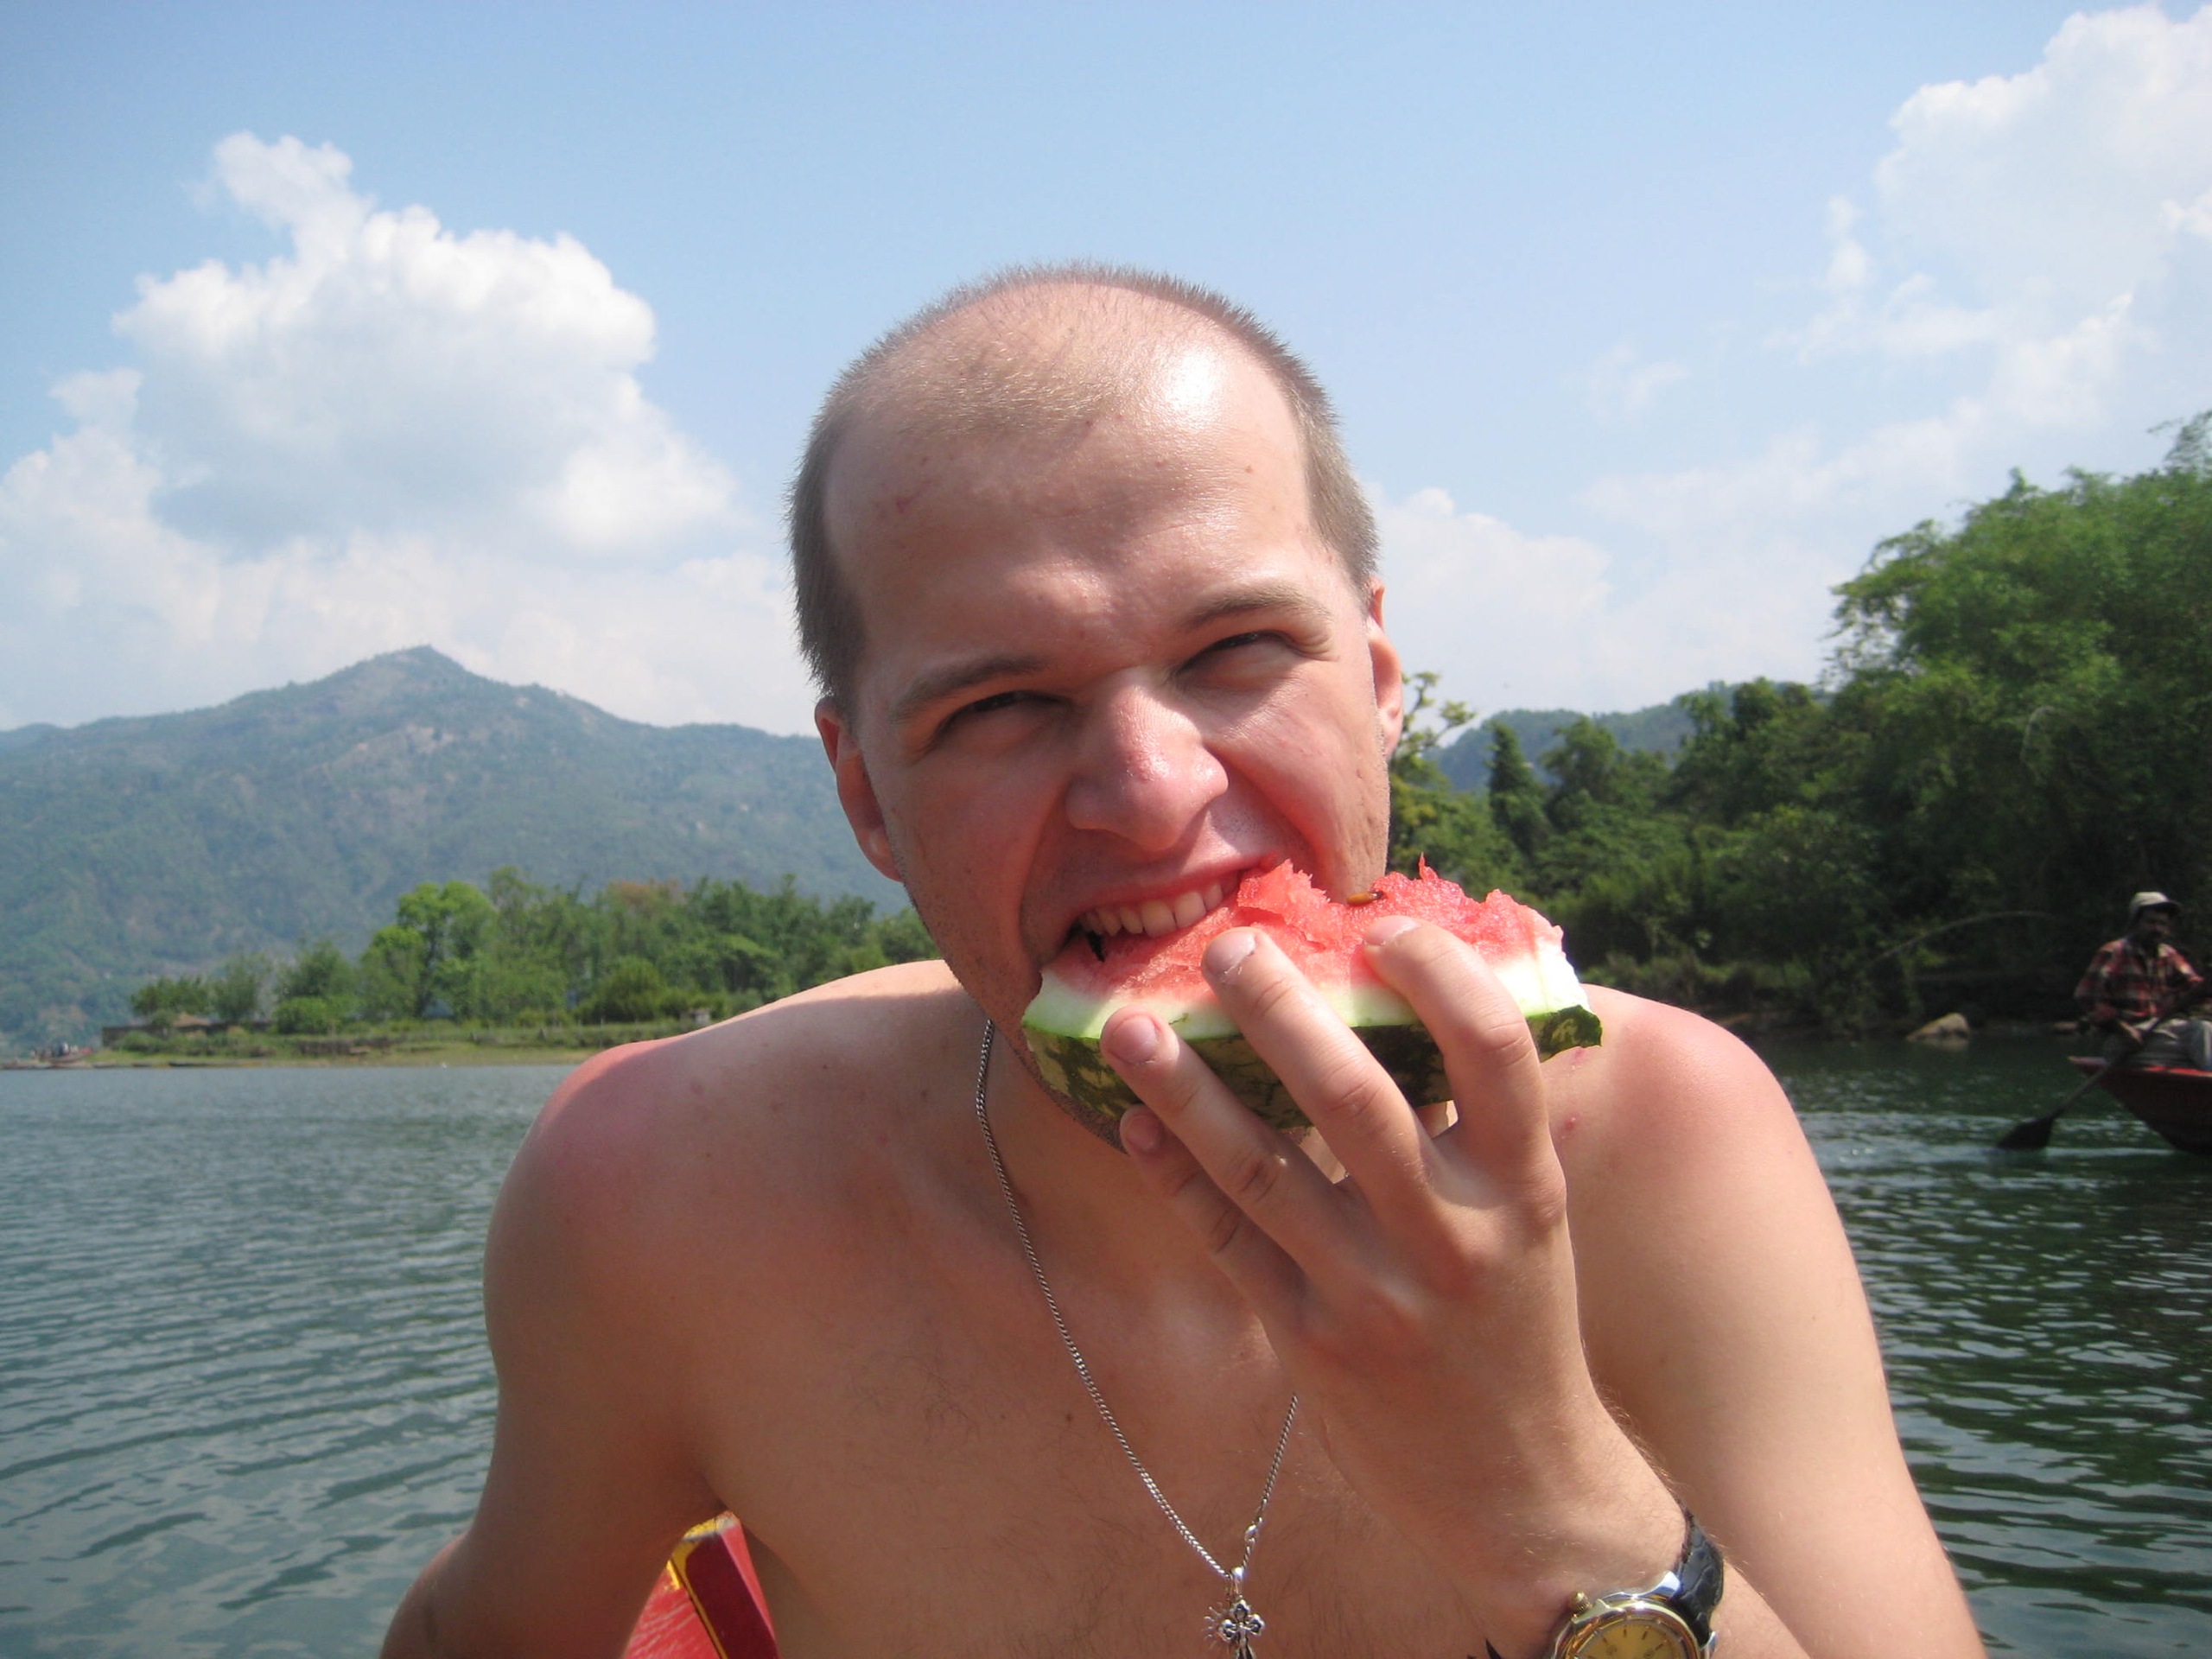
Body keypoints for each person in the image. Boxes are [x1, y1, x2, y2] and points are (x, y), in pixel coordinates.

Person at [383, 266, 1986, 1659]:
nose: (1153, 794)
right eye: (1002, 706)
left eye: (1236, 651)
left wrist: (1546, 1492)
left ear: (1378, 676)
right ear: (866, 795)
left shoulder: (1670, 1143)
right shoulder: (666, 1198)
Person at [2075, 891, 2211, 1071]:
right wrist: (2122, 1029)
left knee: (2203, 1029)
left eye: (2162, 924)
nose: (2157, 929)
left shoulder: (2168, 955)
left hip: (2160, 1032)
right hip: (2126, 1039)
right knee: (2195, 1051)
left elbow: (2194, 988)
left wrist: (2207, 985)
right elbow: (2086, 996)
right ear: (2135, 923)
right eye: (2151, 922)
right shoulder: (2115, 952)